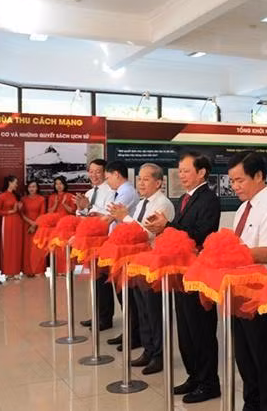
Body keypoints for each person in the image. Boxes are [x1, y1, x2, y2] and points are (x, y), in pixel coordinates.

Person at [145, 151, 221, 404]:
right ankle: (194, 376)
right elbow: (179, 233)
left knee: (201, 330)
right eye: (180, 171)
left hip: (199, 272)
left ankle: (209, 382)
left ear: (202, 172)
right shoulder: (184, 199)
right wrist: (164, 227)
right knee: (186, 330)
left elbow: (200, 234)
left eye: (186, 171)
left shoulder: (209, 199)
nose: (182, 176)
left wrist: (168, 227)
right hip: (181, 273)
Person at [227, 151, 267, 411]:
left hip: (263, 288)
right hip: (239, 287)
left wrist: (226, 252)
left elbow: (265, 253)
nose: (235, 186)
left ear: (259, 176)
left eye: (240, 180)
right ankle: (251, 403)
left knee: (263, 352)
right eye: (232, 181)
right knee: (244, 353)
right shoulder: (243, 208)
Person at [109, 162, 175, 375]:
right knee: (143, 310)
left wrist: (124, 218)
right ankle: (148, 350)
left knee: (155, 312)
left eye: (146, 179)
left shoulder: (163, 204)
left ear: (158, 182)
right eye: (139, 178)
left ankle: (159, 355)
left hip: (154, 265)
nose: (141, 183)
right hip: (137, 263)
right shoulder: (141, 203)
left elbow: (147, 234)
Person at [101, 159, 140, 346]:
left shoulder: (126, 192)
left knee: (127, 295)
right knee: (122, 295)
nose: (107, 181)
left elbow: (110, 217)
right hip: (118, 248)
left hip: (126, 251)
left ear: (116, 174)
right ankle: (129, 331)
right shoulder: (119, 192)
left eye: (108, 177)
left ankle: (133, 334)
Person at [75, 159, 116, 331]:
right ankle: (97, 315)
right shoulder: (90, 192)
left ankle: (106, 318)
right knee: (96, 281)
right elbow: (81, 214)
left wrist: (88, 208)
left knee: (104, 281)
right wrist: (83, 208)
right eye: (91, 171)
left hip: (106, 241)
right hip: (91, 243)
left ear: (105, 173)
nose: (93, 175)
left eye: (97, 171)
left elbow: (106, 216)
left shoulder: (111, 191)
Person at [0, 175, 24, 280]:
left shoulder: (17, 195)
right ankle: (8, 271)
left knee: (17, 246)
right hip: (7, 222)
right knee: (7, 245)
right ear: (9, 183)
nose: (17, 184)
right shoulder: (2, 196)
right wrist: (9, 211)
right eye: (15, 182)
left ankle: (16, 271)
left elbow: (20, 210)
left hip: (18, 222)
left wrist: (19, 208)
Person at [48, 176, 76, 275]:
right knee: (57, 247)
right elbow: (49, 212)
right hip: (55, 225)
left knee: (67, 248)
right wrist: (56, 204)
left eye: (60, 183)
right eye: (56, 184)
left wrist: (64, 204)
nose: (58, 186)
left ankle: (67, 270)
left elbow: (73, 211)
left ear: (64, 184)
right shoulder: (52, 197)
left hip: (68, 225)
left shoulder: (70, 196)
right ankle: (58, 270)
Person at [21, 180, 46, 277]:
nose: (32, 189)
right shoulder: (23, 199)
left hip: (38, 227)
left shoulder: (41, 199)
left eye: (34, 187)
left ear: (37, 188)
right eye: (30, 187)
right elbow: (22, 213)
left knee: (37, 248)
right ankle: (28, 270)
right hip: (26, 227)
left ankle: (38, 270)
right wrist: (31, 224)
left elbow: (42, 214)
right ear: (27, 188)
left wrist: (34, 225)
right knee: (27, 249)